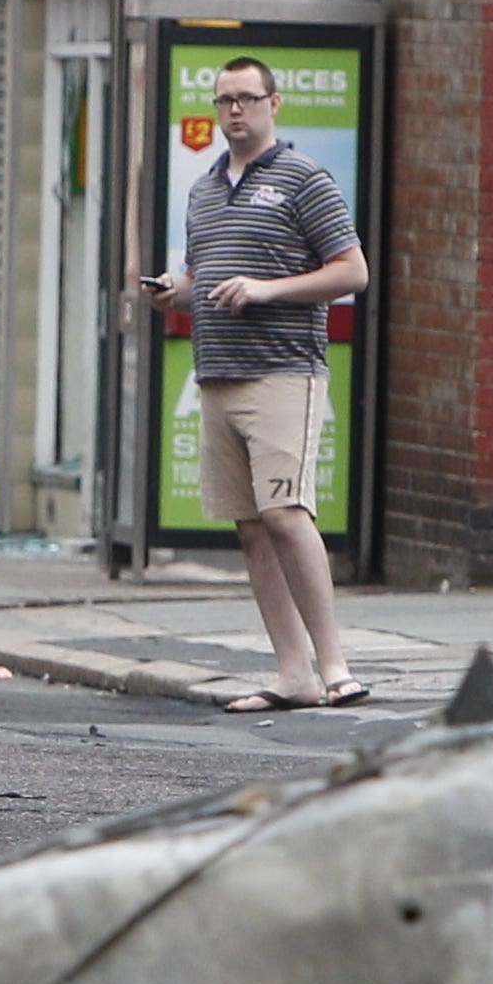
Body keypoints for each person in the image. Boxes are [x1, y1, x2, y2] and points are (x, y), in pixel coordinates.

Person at [150, 56, 372, 712]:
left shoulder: (306, 178)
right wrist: (174, 293)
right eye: (224, 100)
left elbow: (352, 271)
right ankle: (292, 673)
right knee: (251, 528)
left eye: (248, 98)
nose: (235, 111)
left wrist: (268, 290)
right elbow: (205, 277)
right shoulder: (204, 188)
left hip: (283, 370)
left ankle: (336, 667)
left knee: (285, 513)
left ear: (275, 104)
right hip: (216, 372)